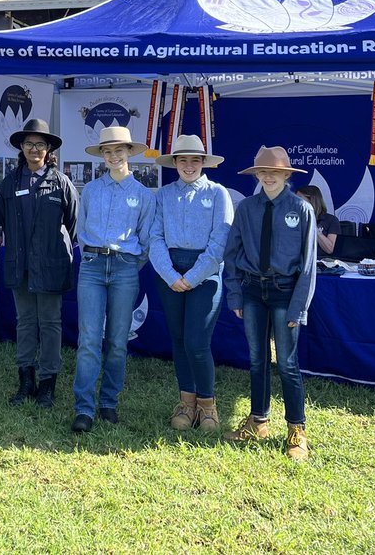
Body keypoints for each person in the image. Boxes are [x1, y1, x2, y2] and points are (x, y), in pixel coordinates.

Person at [222, 146, 317, 461]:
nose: (267, 177)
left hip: (285, 293)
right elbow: (233, 253)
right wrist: (235, 293)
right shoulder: (247, 208)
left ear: (287, 175)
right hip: (252, 292)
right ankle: (258, 422)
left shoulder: (301, 210)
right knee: (257, 359)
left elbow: (308, 264)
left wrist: (298, 306)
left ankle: (296, 431)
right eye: (262, 172)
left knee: (287, 363)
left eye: (274, 172)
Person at [71, 126, 156, 432]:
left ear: (129, 153)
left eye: (119, 150)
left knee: (118, 341)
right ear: (102, 155)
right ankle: (83, 408)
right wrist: (92, 255)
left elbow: (146, 240)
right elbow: (80, 231)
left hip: (124, 268)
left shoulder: (144, 195)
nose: (114, 156)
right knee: (89, 339)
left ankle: (108, 402)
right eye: (108, 151)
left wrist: (129, 264)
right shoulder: (91, 190)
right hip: (92, 266)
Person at [150, 134, 233, 433]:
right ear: (174, 163)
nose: (188, 165)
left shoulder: (218, 194)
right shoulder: (163, 195)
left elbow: (220, 241)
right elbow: (154, 237)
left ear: (203, 162)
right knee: (179, 341)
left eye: (194, 159)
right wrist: (171, 276)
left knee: (197, 343)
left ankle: (208, 406)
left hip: (206, 273)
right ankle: (186, 402)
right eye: (182, 160)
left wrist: (193, 277)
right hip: (169, 273)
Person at [0, 118, 78, 410]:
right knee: (25, 323)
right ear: (21, 147)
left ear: (48, 149)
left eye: (40, 144)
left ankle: (48, 385)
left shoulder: (61, 182)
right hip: (20, 265)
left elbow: (72, 225)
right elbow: (2, 220)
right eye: (29, 143)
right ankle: (25, 382)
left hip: (50, 265)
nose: (34, 149)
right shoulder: (9, 182)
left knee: (50, 324)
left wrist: (50, 249)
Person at [295, 185, 340, 256]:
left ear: (312, 200)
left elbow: (329, 249)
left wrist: (314, 228)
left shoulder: (331, 220)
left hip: (320, 262)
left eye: (299, 199)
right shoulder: (294, 219)